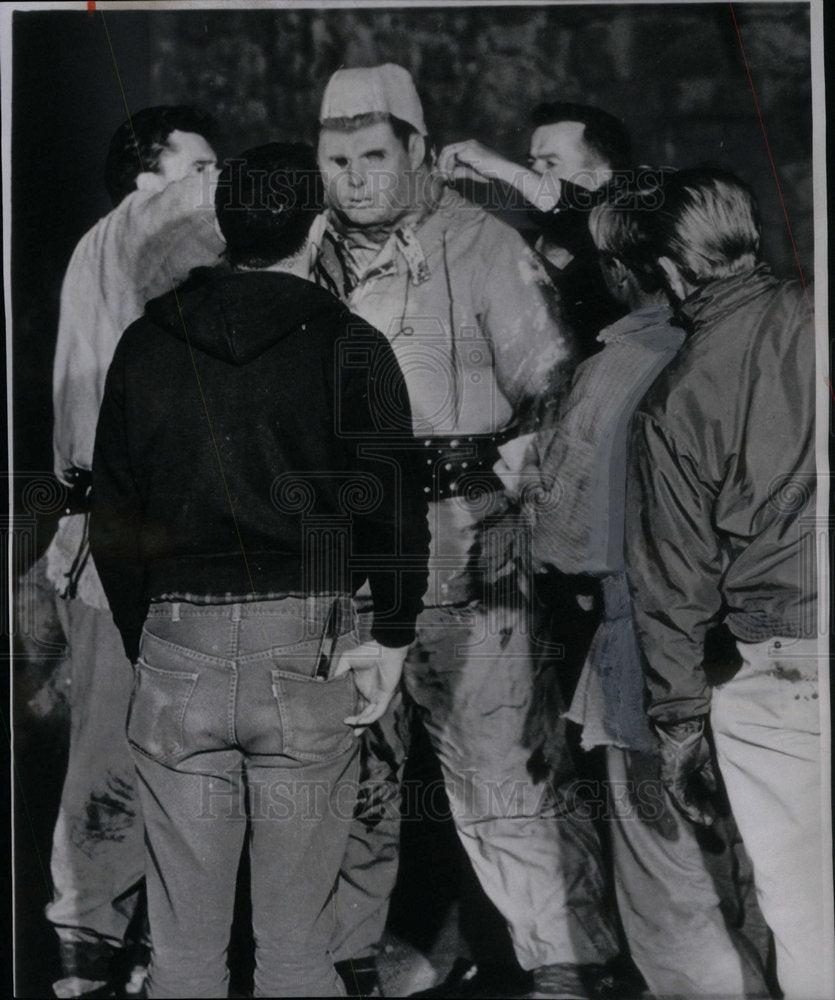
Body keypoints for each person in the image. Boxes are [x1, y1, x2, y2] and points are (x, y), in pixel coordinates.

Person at [89, 142, 429, 998]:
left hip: (176, 639)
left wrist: (152, 636)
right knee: (296, 951)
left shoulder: (144, 343)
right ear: (316, 224)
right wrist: (390, 632)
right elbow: (393, 500)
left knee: (184, 952)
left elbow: (113, 518)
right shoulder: (352, 341)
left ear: (220, 224)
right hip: (308, 647)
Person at [312, 63, 620, 1000]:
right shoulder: (307, 250)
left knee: (499, 775)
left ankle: (571, 966)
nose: (355, 177)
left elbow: (558, 401)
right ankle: (350, 962)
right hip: (339, 547)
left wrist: (532, 533)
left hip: (466, 543)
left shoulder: (483, 246)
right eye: (335, 159)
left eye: (374, 155)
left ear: (416, 147)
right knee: (346, 775)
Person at [531, 176, 770, 997]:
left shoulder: (615, 372)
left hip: (649, 650)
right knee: (763, 880)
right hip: (760, 644)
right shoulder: (756, 343)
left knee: (671, 891)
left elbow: (563, 544)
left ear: (634, 273)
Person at [626, 166, 833, 1000]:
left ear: (670, 273)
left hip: (776, 673)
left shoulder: (673, 402)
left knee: (806, 910)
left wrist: (676, 726)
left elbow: (672, 587)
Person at [44, 105, 223, 999]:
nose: (208, 183)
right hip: (127, 528)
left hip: (116, 524)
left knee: (137, 744)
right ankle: (95, 945)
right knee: (126, 748)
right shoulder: (140, 224)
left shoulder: (112, 247)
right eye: (197, 167)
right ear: (149, 176)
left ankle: (116, 944)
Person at [438, 102, 631, 357]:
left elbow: (584, 212)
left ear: (601, 178)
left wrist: (502, 168)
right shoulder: (513, 244)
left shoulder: (623, 249)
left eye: (551, 163)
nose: (534, 171)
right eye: (532, 162)